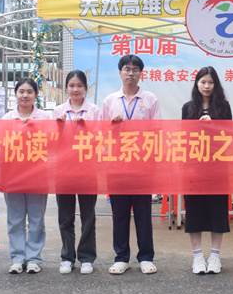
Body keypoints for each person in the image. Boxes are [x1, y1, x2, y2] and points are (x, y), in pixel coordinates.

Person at [101, 54, 161, 275]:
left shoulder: (150, 99)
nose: (131, 73)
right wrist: (112, 126)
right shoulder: (110, 100)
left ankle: (145, 257)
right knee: (120, 213)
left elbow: (157, 130)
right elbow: (101, 132)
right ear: (120, 73)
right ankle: (121, 258)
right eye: (126, 69)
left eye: (135, 69)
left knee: (143, 213)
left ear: (140, 73)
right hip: (116, 165)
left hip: (142, 164)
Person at [182, 66, 232, 275]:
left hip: (217, 169)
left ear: (216, 84)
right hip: (194, 169)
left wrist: (214, 126)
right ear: (197, 83)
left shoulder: (223, 107)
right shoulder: (188, 107)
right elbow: (183, 136)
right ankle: (197, 257)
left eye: (211, 82)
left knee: (217, 212)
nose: (207, 86)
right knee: (194, 212)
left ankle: (214, 256)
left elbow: (231, 134)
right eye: (203, 82)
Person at [52, 70, 101, 275]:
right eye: (72, 86)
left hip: (87, 169)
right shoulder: (58, 111)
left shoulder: (94, 110)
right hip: (63, 170)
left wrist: (86, 128)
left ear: (86, 88)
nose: (75, 89)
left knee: (88, 215)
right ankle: (67, 257)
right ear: (66, 88)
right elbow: (51, 142)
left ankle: (87, 258)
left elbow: (100, 138)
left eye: (79, 86)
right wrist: (59, 127)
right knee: (65, 216)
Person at [2, 78, 51, 274]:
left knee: (37, 218)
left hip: (37, 175)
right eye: (21, 91)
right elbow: (1, 147)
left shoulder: (44, 118)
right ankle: (17, 258)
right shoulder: (7, 119)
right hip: (13, 176)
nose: (25, 95)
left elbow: (52, 144)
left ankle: (33, 258)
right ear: (15, 94)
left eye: (30, 92)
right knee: (15, 219)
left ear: (36, 95)